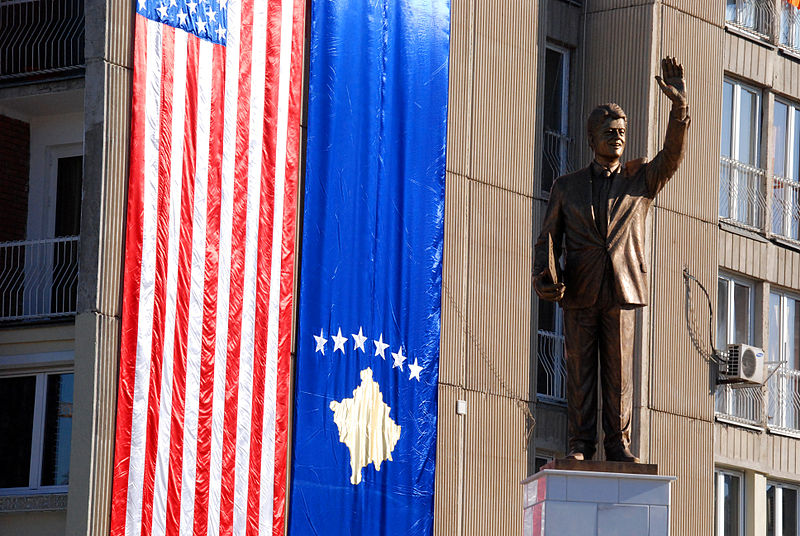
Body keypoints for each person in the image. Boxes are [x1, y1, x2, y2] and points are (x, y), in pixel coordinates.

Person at [533, 57, 690, 462]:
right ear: (592, 138)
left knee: (620, 377)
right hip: (580, 290)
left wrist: (679, 107)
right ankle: (580, 446)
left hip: (622, 290)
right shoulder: (566, 187)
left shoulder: (641, 178)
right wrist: (544, 277)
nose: (617, 137)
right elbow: (548, 237)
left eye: (621, 132)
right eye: (609, 132)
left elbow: (671, 155)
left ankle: (619, 447)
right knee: (581, 375)